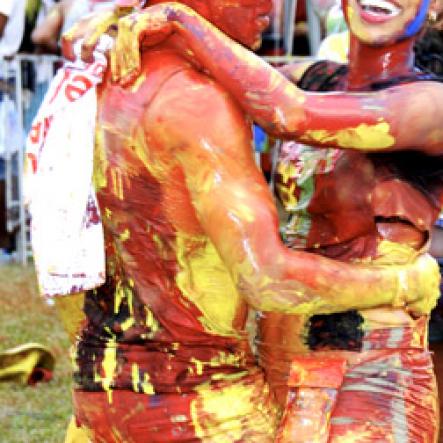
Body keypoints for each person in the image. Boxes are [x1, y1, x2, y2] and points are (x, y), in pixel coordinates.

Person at [55, 0, 442, 440]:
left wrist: (179, 19)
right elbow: (225, 66)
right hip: (283, 363)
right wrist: (111, 32)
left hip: (369, 364)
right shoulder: (314, 77)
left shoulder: (431, 105)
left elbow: (292, 114)